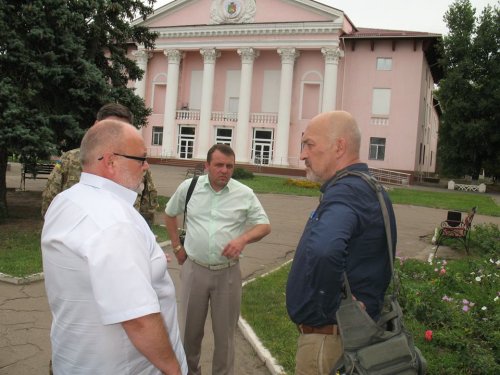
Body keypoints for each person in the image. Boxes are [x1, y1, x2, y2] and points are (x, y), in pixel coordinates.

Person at [42, 119, 187, 374]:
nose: (146, 166)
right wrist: (174, 370)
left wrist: (145, 260)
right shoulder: (114, 222)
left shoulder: (66, 200)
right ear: (110, 162)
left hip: (76, 358)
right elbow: (139, 320)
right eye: (140, 158)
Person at [286, 111, 397, 375]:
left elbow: (325, 250)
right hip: (345, 339)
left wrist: (332, 307)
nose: (302, 155)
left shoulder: (346, 193)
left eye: (309, 145)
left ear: (339, 147)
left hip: (327, 343)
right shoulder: (367, 188)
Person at [164, 144, 271, 375]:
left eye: (229, 166)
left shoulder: (244, 193)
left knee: (225, 337)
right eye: (219, 165)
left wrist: (243, 239)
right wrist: (176, 246)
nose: (224, 170)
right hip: (195, 270)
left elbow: (264, 225)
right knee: (190, 333)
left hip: (228, 274)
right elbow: (170, 213)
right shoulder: (189, 187)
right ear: (207, 166)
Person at [40, 103, 158, 225]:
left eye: (121, 128)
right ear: (96, 125)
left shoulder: (137, 164)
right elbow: (50, 203)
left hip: (122, 236)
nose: (114, 134)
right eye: (109, 127)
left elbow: (147, 210)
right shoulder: (69, 159)